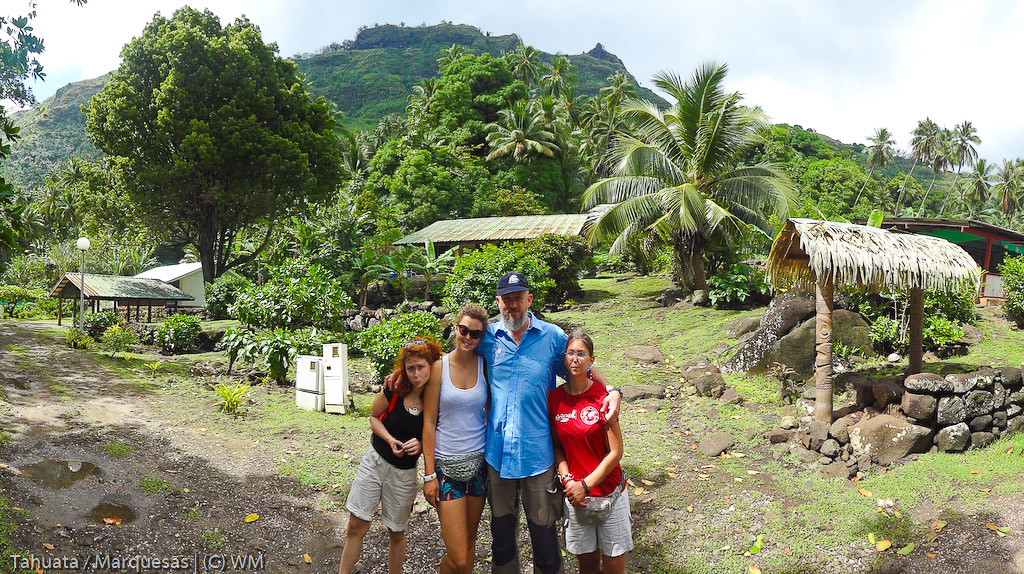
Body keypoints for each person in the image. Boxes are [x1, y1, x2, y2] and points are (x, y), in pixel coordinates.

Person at [474, 272, 623, 574]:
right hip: (498, 454)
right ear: (498, 302)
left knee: (544, 536)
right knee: (501, 536)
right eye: (507, 299)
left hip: (538, 455)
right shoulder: (486, 337)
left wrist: (611, 390)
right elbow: (456, 360)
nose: (512, 305)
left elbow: (579, 366)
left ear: (529, 300)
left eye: (518, 298)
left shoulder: (552, 336)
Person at [339, 338, 442, 574]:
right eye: (410, 368)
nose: (416, 374)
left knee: (396, 531)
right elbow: (374, 417)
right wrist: (389, 439)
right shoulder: (395, 388)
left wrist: (420, 444)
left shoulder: (437, 397)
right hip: (376, 461)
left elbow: (437, 432)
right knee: (356, 525)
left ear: (431, 365)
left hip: (404, 474)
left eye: (421, 367)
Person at [549, 329, 632, 574]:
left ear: (591, 360)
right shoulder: (554, 399)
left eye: (581, 354)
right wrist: (567, 479)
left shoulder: (603, 398)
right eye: (570, 353)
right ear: (564, 358)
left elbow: (616, 452)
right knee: (587, 567)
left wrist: (585, 485)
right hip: (576, 498)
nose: (575, 359)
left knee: (614, 566)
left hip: (609, 492)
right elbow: (556, 445)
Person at [421, 304, 491, 574]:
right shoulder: (439, 367)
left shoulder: (485, 366)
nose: (468, 338)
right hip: (446, 467)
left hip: (478, 465)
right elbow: (428, 422)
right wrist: (429, 475)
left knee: (470, 541)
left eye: (475, 334)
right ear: (456, 328)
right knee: (458, 556)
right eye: (464, 330)